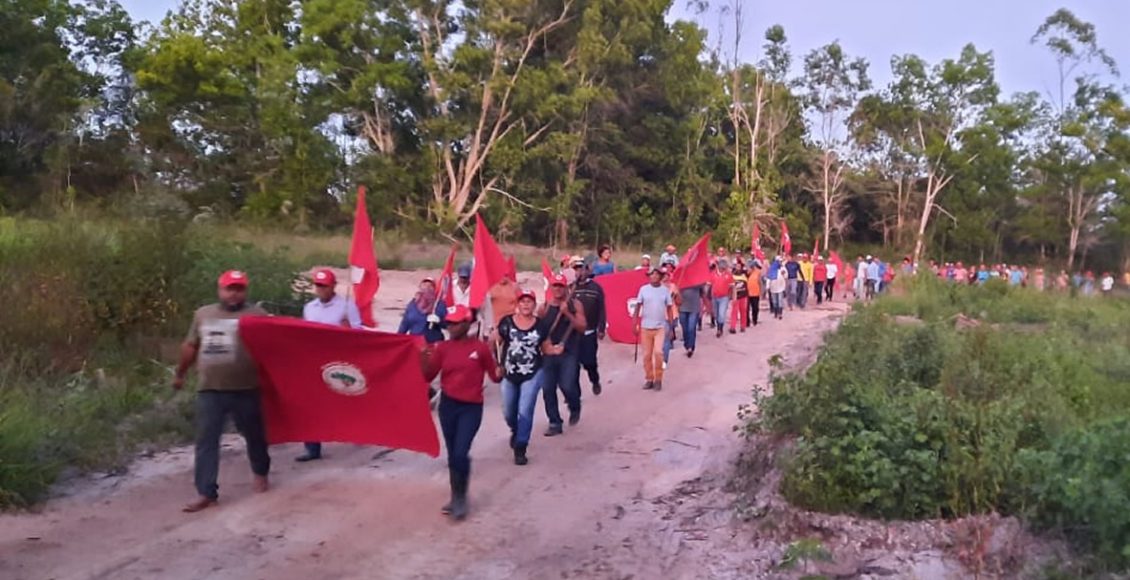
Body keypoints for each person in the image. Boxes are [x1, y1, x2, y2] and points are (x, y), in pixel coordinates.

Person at [174, 270, 270, 513]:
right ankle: (206, 492)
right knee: (206, 441)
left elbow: (275, 346)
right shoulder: (203, 314)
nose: (234, 293)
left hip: (247, 388)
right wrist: (180, 374)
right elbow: (190, 345)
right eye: (229, 288)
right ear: (220, 290)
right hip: (211, 389)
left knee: (254, 435)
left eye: (239, 288)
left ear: (245, 291)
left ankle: (260, 472)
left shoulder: (258, 315)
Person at [421, 305, 502, 521]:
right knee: (452, 454)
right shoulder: (442, 348)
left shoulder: (481, 348)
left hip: (471, 407)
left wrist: (500, 371)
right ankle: (455, 495)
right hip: (448, 406)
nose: (451, 326)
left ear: (467, 324)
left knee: (460, 452)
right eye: (449, 323)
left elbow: (494, 376)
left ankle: (461, 498)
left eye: (456, 323)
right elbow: (428, 376)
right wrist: (424, 360)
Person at [295, 269, 363, 463]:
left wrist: (347, 330)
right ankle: (312, 446)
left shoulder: (346, 306)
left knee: (344, 399)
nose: (321, 289)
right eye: (318, 285)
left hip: (339, 358)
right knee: (310, 403)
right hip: (314, 359)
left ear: (333, 286)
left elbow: (359, 331)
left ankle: (357, 431)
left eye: (324, 286)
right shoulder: (310, 307)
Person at [493, 289, 550, 466]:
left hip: (533, 373)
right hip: (509, 373)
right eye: (523, 301)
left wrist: (556, 350)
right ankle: (515, 429)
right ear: (518, 304)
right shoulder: (506, 323)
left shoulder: (541, 325)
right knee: (509, 411)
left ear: (534, 304)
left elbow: (546, 348)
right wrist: (496, 364)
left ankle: (521, 447)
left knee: (525, 410)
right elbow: (495, 344)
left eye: (529, 301)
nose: (526, 304)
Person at [538, 274, 587, 436]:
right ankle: (554, 422)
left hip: (569, 352)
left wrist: (567, 313)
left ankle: (574, 406)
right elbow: (538, 329)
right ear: (551, 288)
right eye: (555, 286)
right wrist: (545, 345)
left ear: (566, 287)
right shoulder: (544, 307)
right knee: (548, 388)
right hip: (549, 353)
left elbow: (582, 327)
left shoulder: (575, 304)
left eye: (560, 286)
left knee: (567, 385)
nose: (557, 289)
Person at [633, 268, 674, 391]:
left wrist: (671, 328)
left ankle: (658, 379)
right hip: (646, 327)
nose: (654, 276)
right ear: (649, 276)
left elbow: (669, 309)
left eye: (657, 274)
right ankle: (649, 378)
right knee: (646, 355)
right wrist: (634, 323)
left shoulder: (665, 291)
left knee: (658, 353)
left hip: (660, 327)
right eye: (652, 274)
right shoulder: (643, 289)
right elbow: (638, 306)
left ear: (661, 277)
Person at [571, 258, 607, 396]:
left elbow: (602, 309)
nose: (579, 272)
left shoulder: (596, 288)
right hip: (573, 334)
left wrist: (601, 328)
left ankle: (595, 380)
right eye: (576, 269)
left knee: (589, 362)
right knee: (572, 366)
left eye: (581, 268)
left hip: (590, 332)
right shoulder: (570, 288)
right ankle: (574, 395)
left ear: (587, 270)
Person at [398, 277, 447, 343]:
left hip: (433, 343)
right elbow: (404, 324)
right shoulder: (412, 304)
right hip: (414, 343)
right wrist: (398, 339)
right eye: (424, 285)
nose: (427, 288)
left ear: (434, 289)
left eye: (430, 286)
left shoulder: (438, 304)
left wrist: (439, 321)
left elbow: (447, 325)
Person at [660, 266, 681, 366]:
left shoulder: (673, 286)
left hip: (671, 314)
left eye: (666, 275)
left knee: (666, 339)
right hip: (659, 315)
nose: (665, 277)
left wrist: (676, 295)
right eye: (663, 275)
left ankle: (664, 359)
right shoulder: (656, 287)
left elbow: (679, 302)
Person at [678, 280, 705, 358]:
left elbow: (703, 294)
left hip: (694, 308)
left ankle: (690, 347)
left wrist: (706, 306)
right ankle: (687, 344)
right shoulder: (680, 279)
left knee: (691, 328)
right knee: (685, 328)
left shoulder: (698, 282)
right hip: (682, 308)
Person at [710, 260, 734, 337]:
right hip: (714, 296)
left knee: (721, 314)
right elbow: (709, 285)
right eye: (722, 268)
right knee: (716, 314)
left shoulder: (729, 275)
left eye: (724, 268)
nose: (723, 269)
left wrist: (730, 296)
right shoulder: (713, 274)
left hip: (724, 297)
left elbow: (732, 287)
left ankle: (720, 329)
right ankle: (719, 326)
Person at [729, 261, 750, 333]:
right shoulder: (732, 275)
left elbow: (749, 270)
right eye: (736, 266)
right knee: (734, 312)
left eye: (739, 266)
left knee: (743, 311)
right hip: (735, 295)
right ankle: (732, 327)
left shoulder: (745, 274)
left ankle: (743, 326)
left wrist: (744, 263)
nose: (738, 267)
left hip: (744, 295)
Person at [747, 258, 762, 326]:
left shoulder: (758, 272)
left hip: (756, 293)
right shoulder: (747, 273)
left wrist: (761, 292)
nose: (751, 268)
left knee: (755, 308)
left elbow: (759, 282)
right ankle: (747, 321)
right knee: (746, 308)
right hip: (747, 293)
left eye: (752, 266)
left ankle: (754, 319)